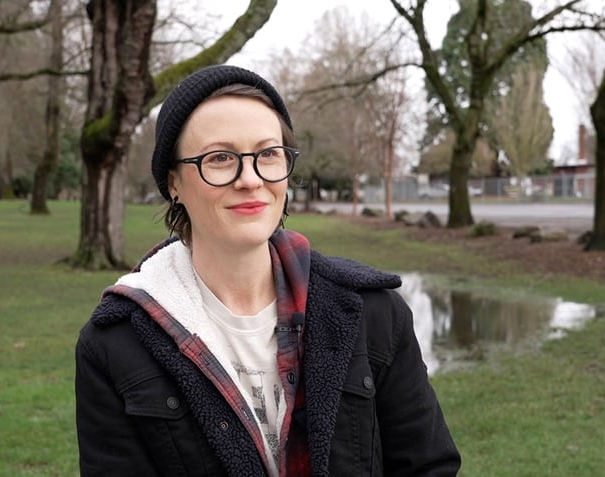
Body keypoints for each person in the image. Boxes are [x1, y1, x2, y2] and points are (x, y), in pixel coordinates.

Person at [74, 64, 461, 476]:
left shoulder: (373, 313)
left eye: (268, 155)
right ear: (173, 183)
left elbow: (428, 466)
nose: (250, 178)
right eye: (220, 158)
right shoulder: (115, 344)